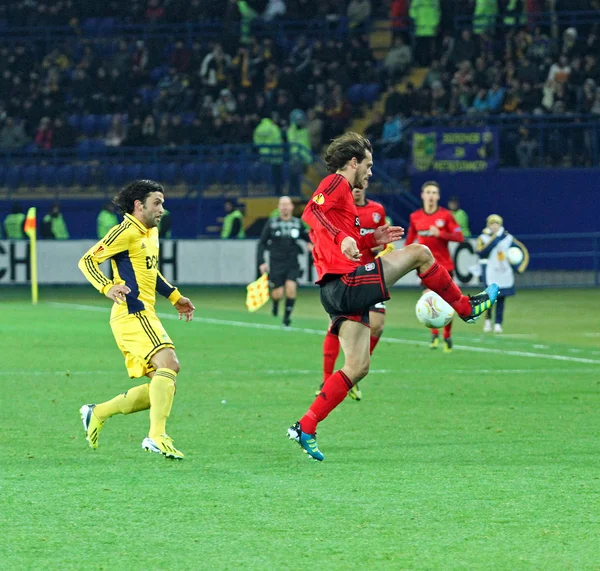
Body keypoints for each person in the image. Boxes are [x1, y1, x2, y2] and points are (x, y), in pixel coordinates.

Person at [287, 132, 499, 461]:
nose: (371, 173)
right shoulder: (336, 182)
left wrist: (372, 238)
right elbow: (313, 215)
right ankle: (466, 307)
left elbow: (348, 239)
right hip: (344, 282)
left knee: (358, 366)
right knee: (420, 252)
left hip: (335, 291)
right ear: (353, 162)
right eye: (368, 165)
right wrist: (344, 237)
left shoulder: (346, 198)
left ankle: (306, 426)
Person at [77, 180, 195, 460]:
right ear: (138, 205)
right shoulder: (125, 231)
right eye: (157, 203)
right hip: (132, 312)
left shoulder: (150, 233)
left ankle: (98, 412)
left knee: (163, 381)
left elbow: (151, 273)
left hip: (142, 313)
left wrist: (175, 296)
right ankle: (156, 436)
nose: (162, 209)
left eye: (163, 203)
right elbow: (87, 261)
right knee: (169, 364)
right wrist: (108, 286)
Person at [319, 180, 390, 401]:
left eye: (360, 185)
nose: (357, 189)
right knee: (335, 327)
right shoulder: (340, 210)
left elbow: (382, 240)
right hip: (346, 277)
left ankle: (352, 375)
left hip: (370, 275)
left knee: (377, 326)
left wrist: (380, 245)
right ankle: (327, 379)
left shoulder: (377, 211)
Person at [405, 182, 465, 353]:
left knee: (448, 302)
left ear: (438, 196)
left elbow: (459, 236)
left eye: (434, 192)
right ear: (422, 195)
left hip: (445, 266)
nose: (431, 195)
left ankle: (447, 336)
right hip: (425, 267)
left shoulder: (445, 215)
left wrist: (441, 234)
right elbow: (410, 240)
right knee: (429, 300)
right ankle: (434, 334)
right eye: (428, 192)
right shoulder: (415, 216)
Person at [257, 196, 313, 327]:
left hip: (292, 262)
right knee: (278, 293)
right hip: (276, 263)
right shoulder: (272, 223)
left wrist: (310, 244)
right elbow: (262, 243)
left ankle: (286, 318)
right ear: (278, 207)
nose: (285, 207)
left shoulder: (297, 223)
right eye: (282, 205)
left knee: (291, 288)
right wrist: (261, 262)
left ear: (292, 207)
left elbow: (308, 237)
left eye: (287, 204)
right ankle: (275, 303)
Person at [477, 214, 529, 334]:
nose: (494, 226)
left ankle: (498, 323)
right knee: (490, 298)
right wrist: (495, 238)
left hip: (504, 272)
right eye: (492, 224)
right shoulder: (483, 238)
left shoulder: (508, 238)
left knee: (501, 299)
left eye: (497, 224)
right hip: (490, 272)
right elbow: (481, 252)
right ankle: (488, 320)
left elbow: (521, 250)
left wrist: (518, 267)